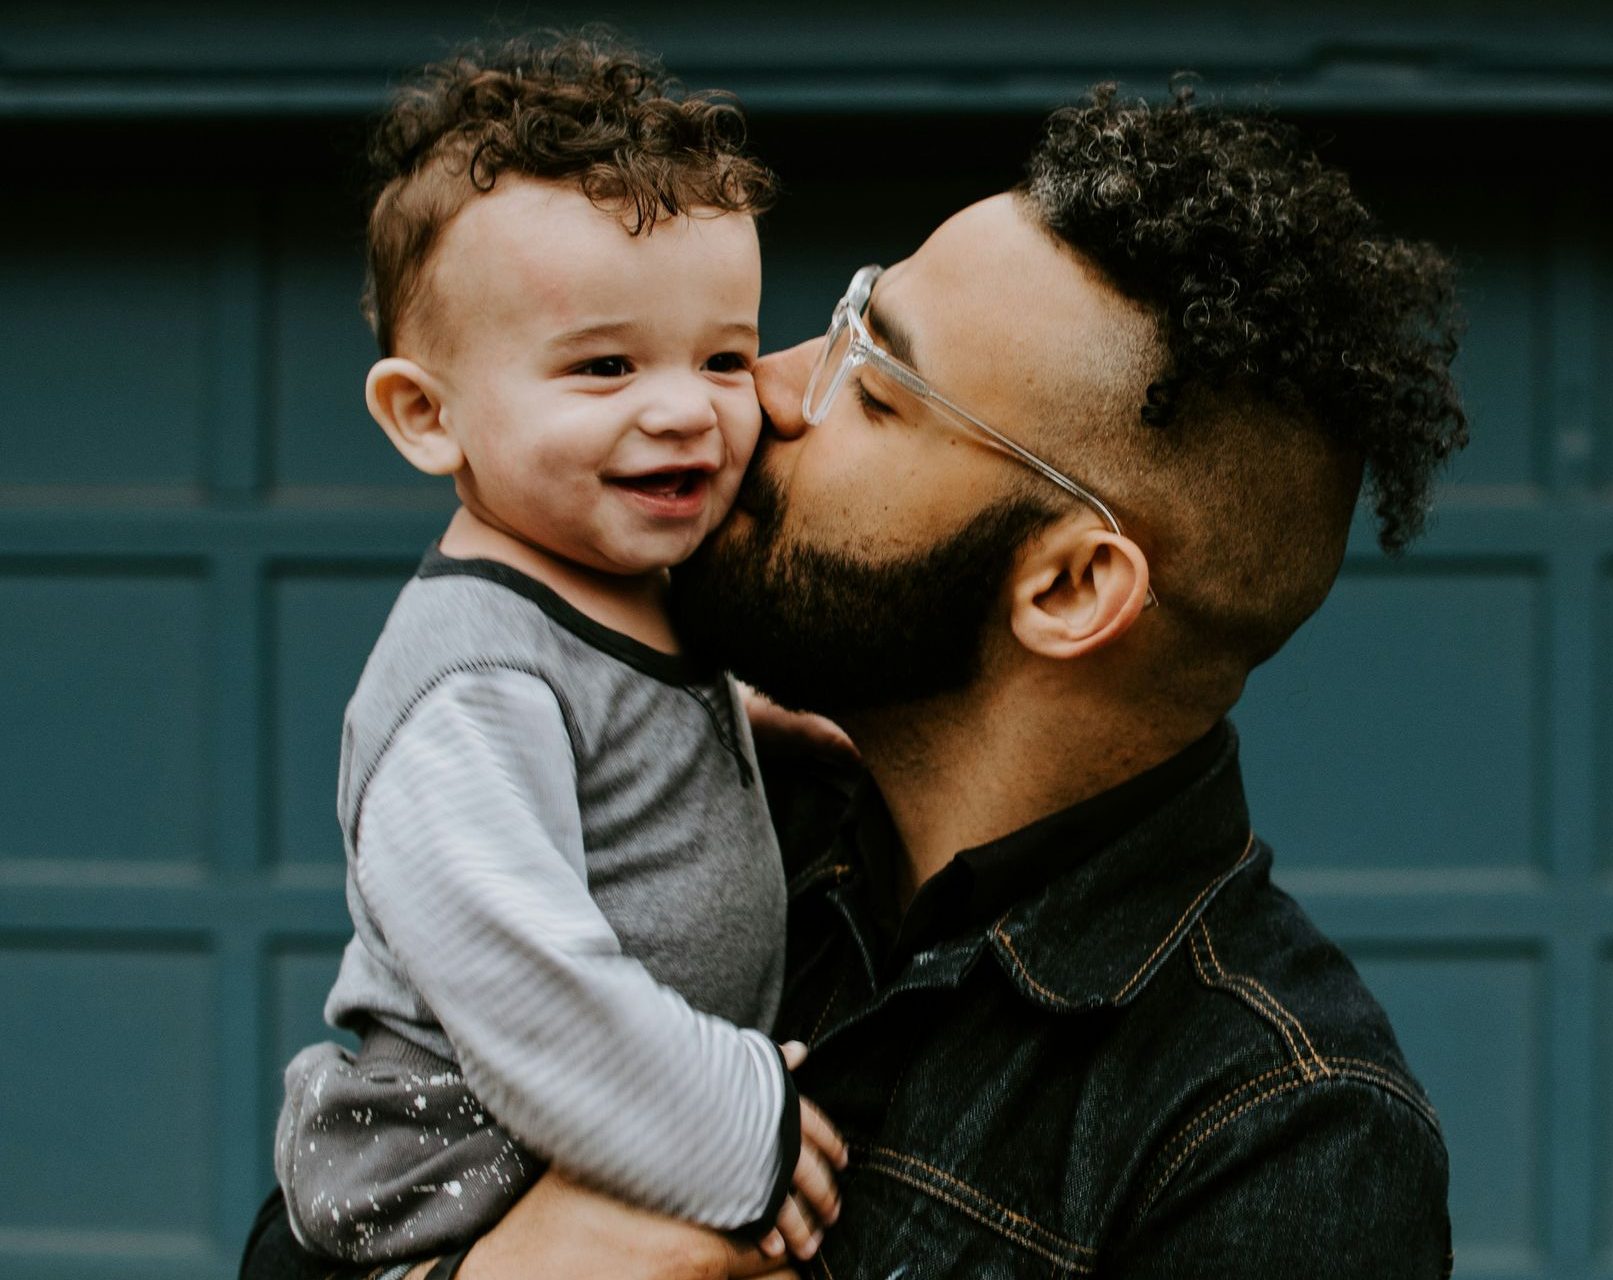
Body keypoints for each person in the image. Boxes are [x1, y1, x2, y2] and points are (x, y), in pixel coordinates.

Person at [247, 77, 1468, 1280]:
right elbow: (315, 1217)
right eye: (838, 318)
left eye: (873, 385)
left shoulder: (1272, 1133)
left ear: (1067, 589)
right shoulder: (710, 801)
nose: (761, 388)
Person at [267, 32, 844, 1275]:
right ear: (429, 415)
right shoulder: (471, 683)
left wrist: (749, 721)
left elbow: (623, 727)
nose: (685, 406)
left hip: (583, 1146)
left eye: (725, 357)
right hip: (448, 1185)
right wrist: (740, 1125)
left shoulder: (628, 589)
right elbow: (526, 979)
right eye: (605, 365)